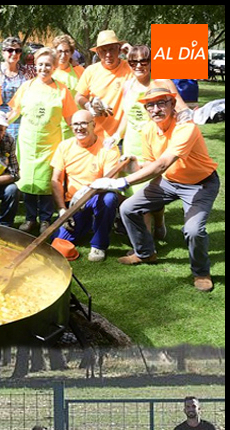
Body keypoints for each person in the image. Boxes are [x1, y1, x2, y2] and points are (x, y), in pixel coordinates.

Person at [93, 86, 221, 292]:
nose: (155, 109)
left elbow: (162, 164)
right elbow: (151, 164)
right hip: (169, 181)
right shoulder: (148, 130)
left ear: (172, 104)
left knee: (193, 230)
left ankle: (201, 272)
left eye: (161, 103)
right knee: (128, 208)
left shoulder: (185, 128)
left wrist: (123, 182)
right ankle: (145, 253)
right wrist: (134, 165)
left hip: (200, 184)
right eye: (150, 105)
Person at [112, 48, 186, 238]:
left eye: (143, 61)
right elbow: (127, 115)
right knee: (133, 193)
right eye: (133, 62)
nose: (138, 66)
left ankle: (149, 239)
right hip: (131, 145)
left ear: (152, 62)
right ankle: (149, 236)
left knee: (147, 194)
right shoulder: (128, 85)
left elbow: (182, 110)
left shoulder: (162, 83)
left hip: (155, 146)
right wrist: (116, 135)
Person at [7, 48, 78, 234]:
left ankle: (45, 219)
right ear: (35, 66)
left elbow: (71, 118)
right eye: (40, 64)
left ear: (54, 67)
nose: (43, 68)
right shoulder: (26, 87)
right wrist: (0, 123)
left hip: (50, 144)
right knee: (28, 180)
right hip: (27, 143)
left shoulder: (62, 90)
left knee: (47, 181)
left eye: (48, 65)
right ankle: (30, 219)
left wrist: (81, 136)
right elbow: (14, 112)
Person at [49, 110, 123, 261]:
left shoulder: (108, 147)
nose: (79, 128)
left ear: (93, 125)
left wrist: (87, 190)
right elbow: (55, 180)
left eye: (84, 123)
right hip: (73, 203)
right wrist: (62, 210)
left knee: (109, 198)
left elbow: (110, 181)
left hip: (96, 196)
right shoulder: (65, 146)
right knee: (58, 242)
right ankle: (87, 222)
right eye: (75, 124)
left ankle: (99, 245)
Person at [75, 30, 134, 142]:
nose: (108, 54)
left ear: (119, 50)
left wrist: (133, 54)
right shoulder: (91, 71)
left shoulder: (130, 68)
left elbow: (155, 74)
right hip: (97, 137)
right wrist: (89, 106)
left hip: (124, 137)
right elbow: (79, 97)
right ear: (98, 53)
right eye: (103, 51)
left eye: (112, 49)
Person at [0, 37, 34, 143]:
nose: (14, 53)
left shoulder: (27, 73)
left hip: (22, 123)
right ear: (3, 52)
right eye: (10, 50)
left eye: (18, 50)